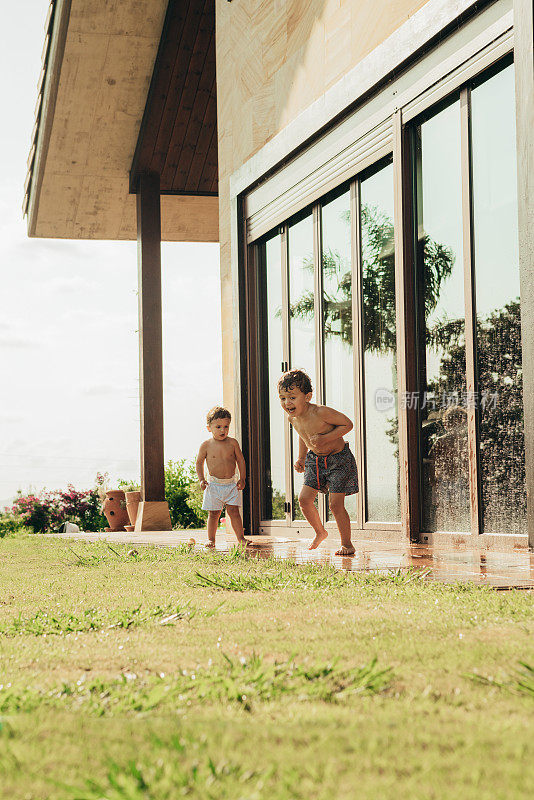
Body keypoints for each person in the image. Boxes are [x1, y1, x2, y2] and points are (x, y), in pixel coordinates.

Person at [278, 369, 358, 556]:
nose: (287, 403)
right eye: (282, 398)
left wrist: (327, 438)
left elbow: (348, 424)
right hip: (314, 461)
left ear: (307, 397)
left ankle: (347, 544)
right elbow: (302, 435)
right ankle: (320, 532)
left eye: (291, 397)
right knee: (304, 500)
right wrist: (300, 457)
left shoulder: (320, 412)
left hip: (339, 459)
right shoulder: (293, 417)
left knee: (335, 504)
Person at [196, 406, 247, 548]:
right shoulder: (206, 445)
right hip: (213, 485)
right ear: (209, 428)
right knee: (213, 514)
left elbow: (241, 461)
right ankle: (211, 539)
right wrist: (201, 479)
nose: (222, 430)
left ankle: (241, 538)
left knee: (234, 512)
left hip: (231, 484)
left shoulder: (232, 443)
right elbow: (199, 463)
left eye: (226, 426)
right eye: (218, 427)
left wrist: (242, 478)